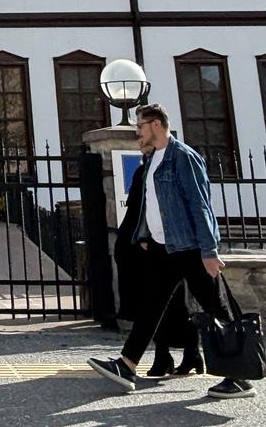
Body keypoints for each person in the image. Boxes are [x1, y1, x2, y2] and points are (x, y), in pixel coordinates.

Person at [89, 104, 255, 400]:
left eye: (140, 126)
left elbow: (199, 205)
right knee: (150, 306)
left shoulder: (183, 157)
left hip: (190, 248)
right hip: (162, 248)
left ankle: (240, 375)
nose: (137, 131)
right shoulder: (152, 160)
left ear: (155, 124)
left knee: (218, 309)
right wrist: (144, 235)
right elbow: (148, 205)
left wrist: (209, 249)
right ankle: (127, 365)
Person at [114, 139, 203, 378]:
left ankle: (193, 351)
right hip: (143, 246)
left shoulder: (168, 171)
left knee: (169, 304)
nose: (141, 144)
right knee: (153, 305)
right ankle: (159, 355)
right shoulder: (145, 171)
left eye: (146, 140)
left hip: (162, 247)